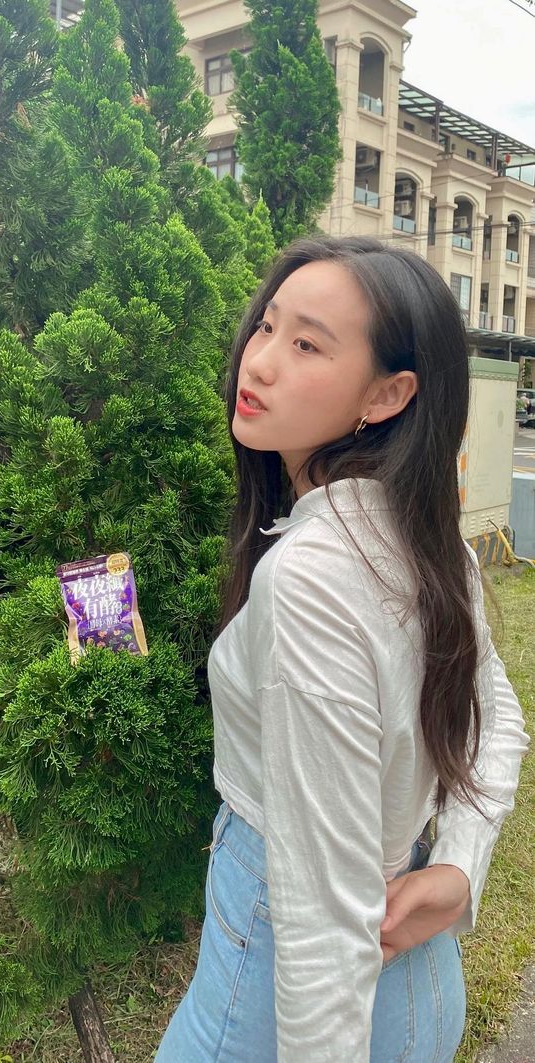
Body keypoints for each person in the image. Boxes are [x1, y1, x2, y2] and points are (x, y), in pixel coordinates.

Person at [155, 236, 529, 1062]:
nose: (258, 362)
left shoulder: (310, 579)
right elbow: (497, 717)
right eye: (266, 326)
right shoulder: (428, 541)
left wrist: (462, 862)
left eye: (307, 345)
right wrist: (459, 862)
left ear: (388, 393)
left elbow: (323, 919)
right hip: (421, 987)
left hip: (279, 988)